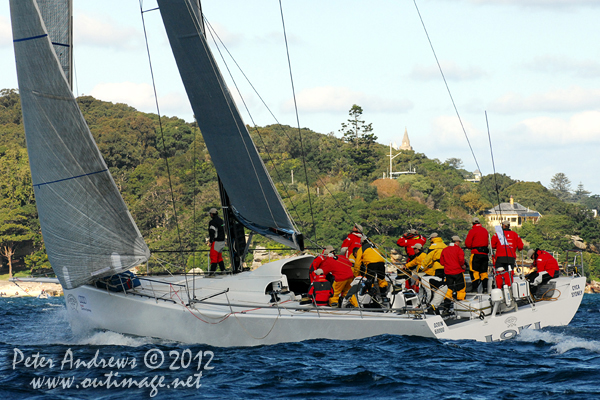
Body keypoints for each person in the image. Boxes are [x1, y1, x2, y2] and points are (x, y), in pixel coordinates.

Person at [420, 233, 447, 307]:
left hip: (437, 267)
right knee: (442, 284)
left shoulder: (433, 246)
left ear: (433, 238)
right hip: (446, 267)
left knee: (435, 286)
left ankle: (432, 303)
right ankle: (440, 301)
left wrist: (422, 268)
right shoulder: (444, 245)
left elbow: (428, 258)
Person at [464, 217, 490, 293]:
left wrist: (470, 246)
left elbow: (468, 243)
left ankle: (475, 288)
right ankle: (485, 288)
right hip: (485, 254)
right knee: (484, 272)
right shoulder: (485, 230)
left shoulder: (472, 231)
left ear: (472, 223)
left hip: (476, 253)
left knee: (474, 271)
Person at [440, 235, 468, 302]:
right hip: (458, 271)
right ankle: (460, 300)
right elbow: (461, 260)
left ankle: (447, 302)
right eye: (459, 242)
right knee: (460, 287)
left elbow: (441, 262)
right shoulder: (459, 249)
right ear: (457, 242)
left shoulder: (445, 250)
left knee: (449, 288)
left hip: (448, 272)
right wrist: (463, 265)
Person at [208, 208, 226, 275]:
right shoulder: (221, 221)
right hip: (222, 242)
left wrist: (211, 241)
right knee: (219, 258)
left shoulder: (212, 222)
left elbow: (212, 232)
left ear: (212, 214)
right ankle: (223, 271)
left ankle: (212, 273)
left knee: (213, 257)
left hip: (216, 242)